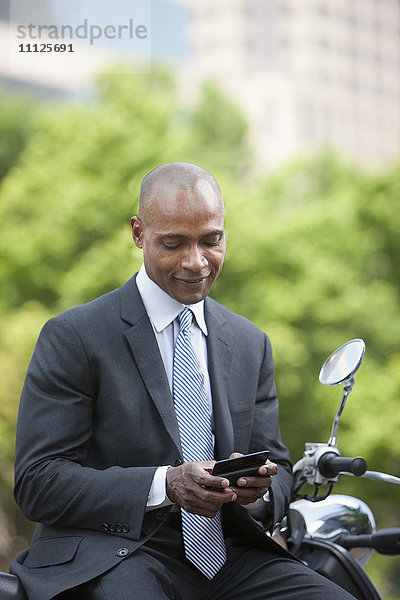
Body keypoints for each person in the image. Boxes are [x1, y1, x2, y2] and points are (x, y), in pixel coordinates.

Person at [10, 163, 357, 600]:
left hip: (231, 559)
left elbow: (282, 470)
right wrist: (166, 484)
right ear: (139, 233)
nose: (196, 262)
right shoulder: (75, 337)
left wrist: (256, 494)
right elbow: (39, 481)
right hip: (118, 553)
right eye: (173, 243)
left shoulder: (251, 343)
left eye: (211, 240)